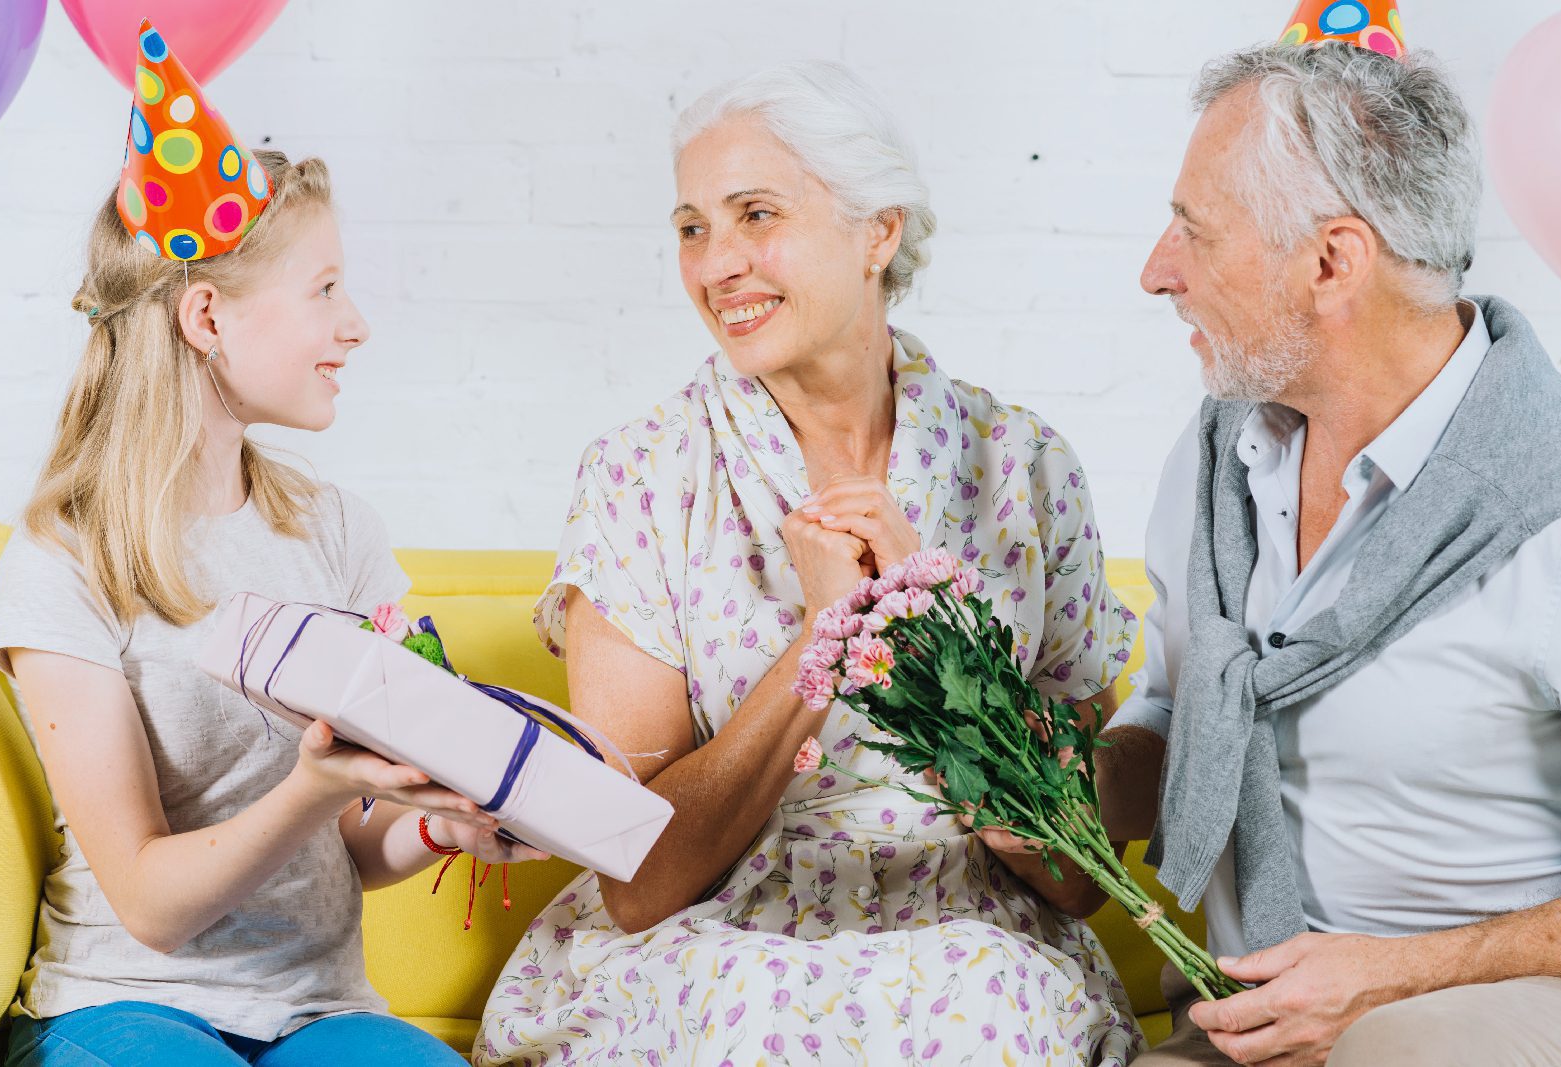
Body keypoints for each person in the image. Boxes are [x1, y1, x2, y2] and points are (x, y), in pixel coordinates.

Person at [476, 61, 1146, 1065]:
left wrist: (934, 645)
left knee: (988, 1003)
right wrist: (819, 643)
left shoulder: (1024, 466)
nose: (716, 263)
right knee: (744, 1010)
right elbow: (643, 882)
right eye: (694, 227)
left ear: (879, 231)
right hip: (713, 935)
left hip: (971, 934)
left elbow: (1075, 876)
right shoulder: (640, 476)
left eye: (756, 214)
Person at [1106, 33, 1561, 1067]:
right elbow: (1176, 707)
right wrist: (1050, 784)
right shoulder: (1219, 458)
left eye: (1194, 232)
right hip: (1273, 1013)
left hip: (1545, 1010)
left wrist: (1395, 970)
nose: (1156, 272)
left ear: (1332, 263)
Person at [0, 23, 539, 1066]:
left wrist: (434, 821)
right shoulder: (63, 558)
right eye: (324, 287)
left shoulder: (336, 531)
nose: (357, 322)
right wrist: (317, 785)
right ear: (207, 315)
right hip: (125, 1001)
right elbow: (149, 901)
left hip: (321, 1013)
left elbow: (349, 847)